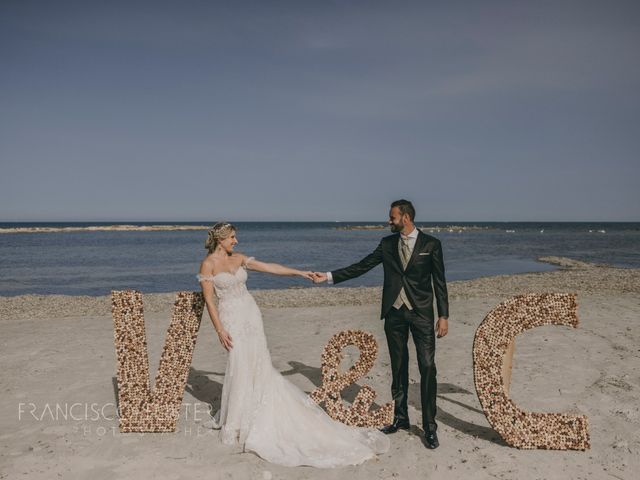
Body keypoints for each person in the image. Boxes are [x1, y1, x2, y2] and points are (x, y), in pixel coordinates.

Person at [197, 222, 389, 467]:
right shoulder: (208, 264)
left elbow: (270, 268)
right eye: (233, 237)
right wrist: (219, 330)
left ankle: (256, 410)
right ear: (221, 239)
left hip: (250, 314)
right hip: (231, 319)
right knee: (239, 363)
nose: (236, 241)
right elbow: (210, 302)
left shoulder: (240, 258)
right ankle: (237, 418)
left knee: (259, 363)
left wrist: (299, 273)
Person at [313, 199, 449, 449]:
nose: (389, 221)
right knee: (398, 367)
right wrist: (329, 276)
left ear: (405, 218)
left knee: (427, 366)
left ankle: (430, 427)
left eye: (393, 217)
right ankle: (401, 418)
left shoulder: (432, 244)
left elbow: (439, 282)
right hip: (394, 314)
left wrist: (443, 315)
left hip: (421, 314)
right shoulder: (387, 244)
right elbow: (362, 266)